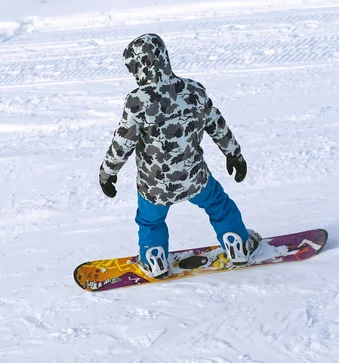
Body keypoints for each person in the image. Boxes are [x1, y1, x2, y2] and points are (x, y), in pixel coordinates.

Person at [99, 33, 260, 279]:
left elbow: (122, 142)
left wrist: (108, 173)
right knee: (219, 206)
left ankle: (155, 259)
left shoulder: (137, 101)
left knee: (150, 221)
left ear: (139, 66)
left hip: (154, 186)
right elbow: (217, 126)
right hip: (195, 178)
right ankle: (237, 243)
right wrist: (234, 155)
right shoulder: (194, 90)